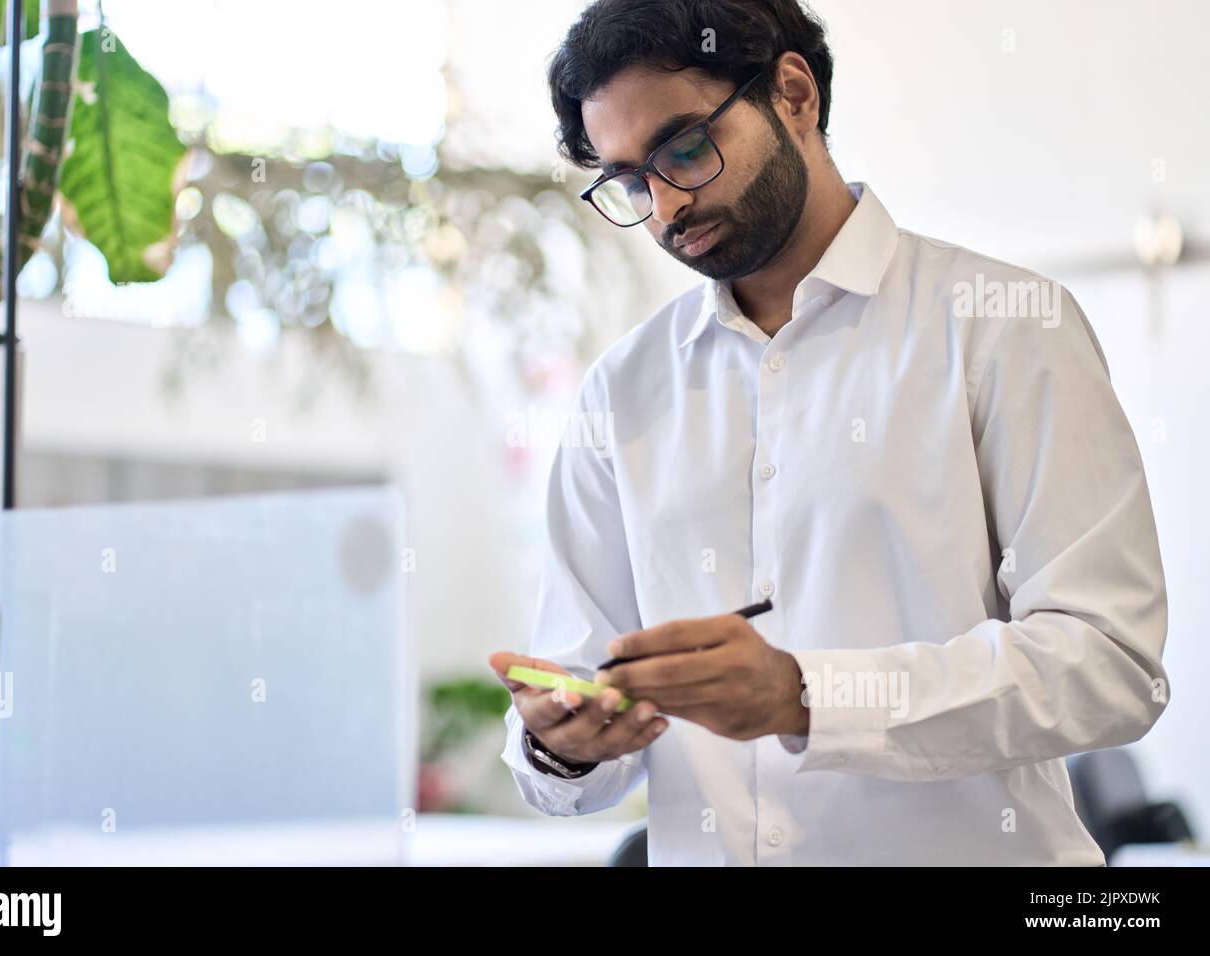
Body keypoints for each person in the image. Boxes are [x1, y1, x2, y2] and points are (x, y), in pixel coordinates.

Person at [488, 0, 1168, 865]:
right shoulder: (622, 392)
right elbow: (569, 732)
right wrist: (565, 740)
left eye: (685, 149)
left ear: (795, 93)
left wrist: (805, 697)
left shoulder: (1005, 327)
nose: (662, 208)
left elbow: (1109, 667)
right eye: (628, 181)